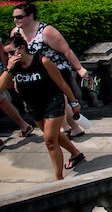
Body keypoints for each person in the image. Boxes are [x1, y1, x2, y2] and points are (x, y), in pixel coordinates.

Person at [1, 34, 83, 179]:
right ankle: (76, 154)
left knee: (50, 140)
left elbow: (62, 83)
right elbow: (2, 88)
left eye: (12, 52)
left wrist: (73, 102)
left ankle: (58, 178)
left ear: (22, 48)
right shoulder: (14, 67)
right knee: (54, 135)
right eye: (6, 54)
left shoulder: (42, 61)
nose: (9, 56)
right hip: (34, 106)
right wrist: (9, 69)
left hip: (53, 101)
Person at [11, 1, 90, 138]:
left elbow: (66, 50)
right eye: (14, 17)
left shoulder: (46, 31)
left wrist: (79, 68)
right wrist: (15, 78)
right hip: (35, 75)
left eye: (19, 17)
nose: (16, 20)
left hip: (55, 70)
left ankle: (65, 128)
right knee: (55, 103)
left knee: (58, 101)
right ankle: (73, 128)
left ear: (30, 16)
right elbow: (14, 56)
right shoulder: (15, 33)